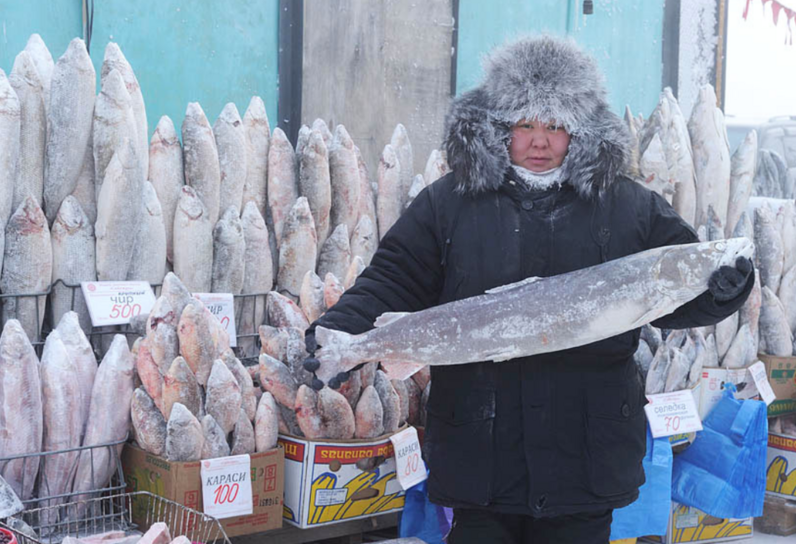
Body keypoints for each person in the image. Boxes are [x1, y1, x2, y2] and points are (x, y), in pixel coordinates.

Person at [304, 35, 754, 544]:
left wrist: (724, 290)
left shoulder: (629, 206)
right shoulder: (449, 203)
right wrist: (340, 333)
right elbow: (393, 278)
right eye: (525, 125)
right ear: (500, 127)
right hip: (481, 452)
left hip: (586, 456)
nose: (540, 142)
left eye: (556, 126)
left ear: (579, 130)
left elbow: (676, 289)